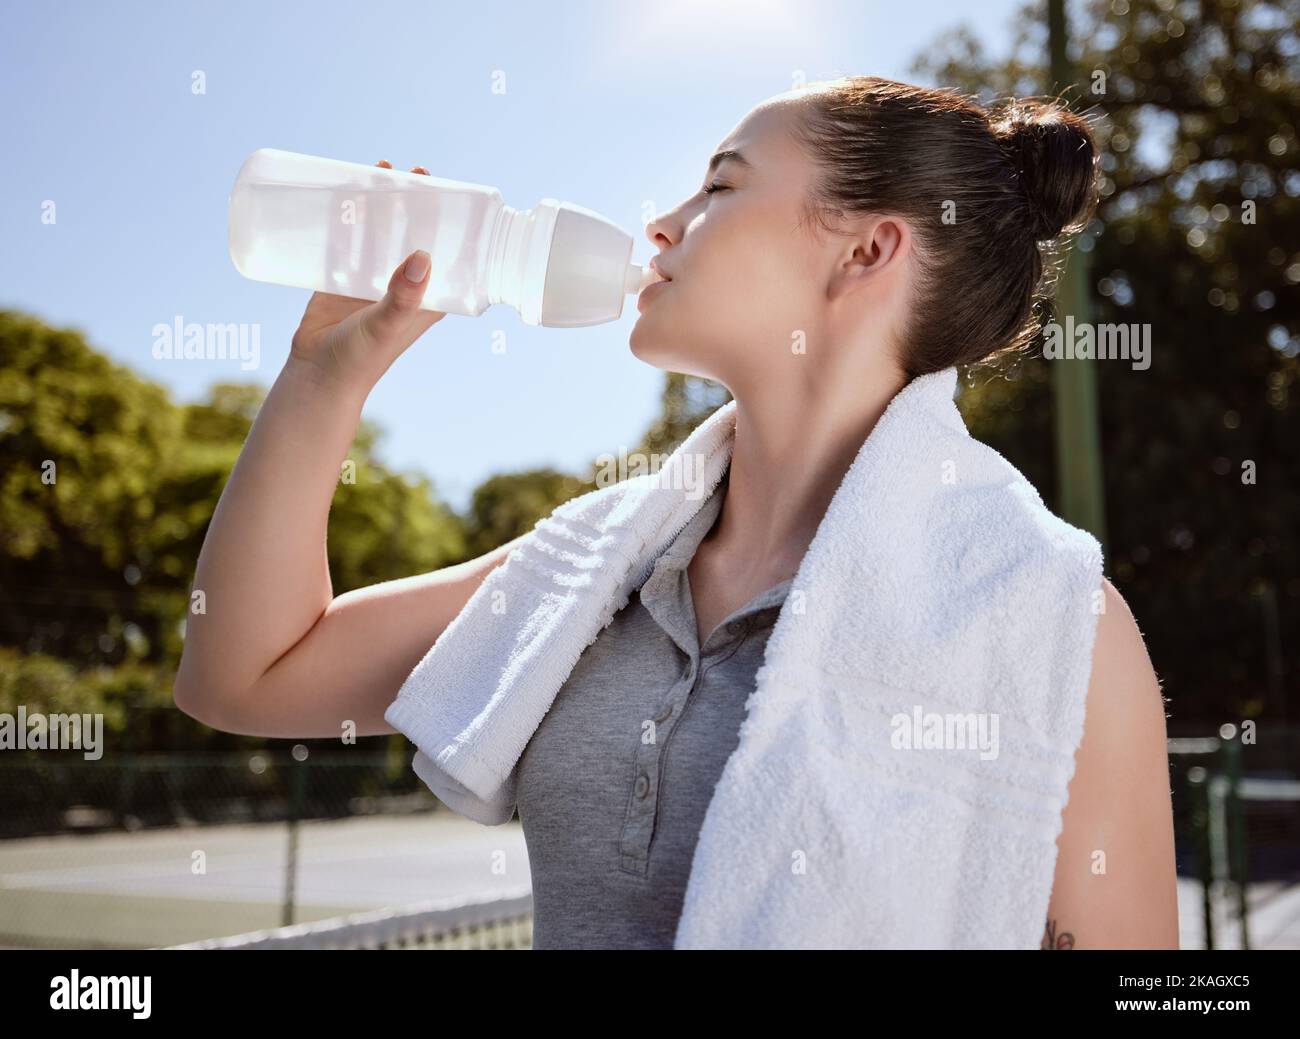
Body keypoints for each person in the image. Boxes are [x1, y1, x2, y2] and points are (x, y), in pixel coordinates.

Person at [175, 76, 1179, 949]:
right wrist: (322, 377)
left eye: (722, 185)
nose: (660, 223)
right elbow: (241, 675)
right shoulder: (590, 570)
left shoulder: (1047, 616)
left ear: (868, 250)